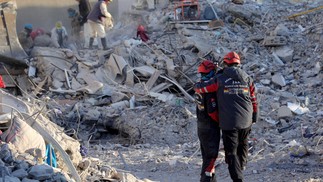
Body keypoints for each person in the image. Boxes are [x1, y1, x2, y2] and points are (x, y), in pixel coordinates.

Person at [194, 52, 258, 182]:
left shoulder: (219, 79)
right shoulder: (247, 78)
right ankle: (240, 168)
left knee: (230, 153)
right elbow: (254, 99)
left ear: (225, 63)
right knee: (242, 146)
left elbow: (203, 89)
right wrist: (254, 117)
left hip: (228, 124)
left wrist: (196, 86)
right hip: (246, 121)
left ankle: (237, 178)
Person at [195, 60, 222, 182]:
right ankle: (205, 179)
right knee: (211, 158)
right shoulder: (209, 90)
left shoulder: (200, 86)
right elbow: (212, 112)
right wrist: (221, 122)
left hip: (201, 126)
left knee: (206, 156)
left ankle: (212, 179)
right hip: (210, 127)